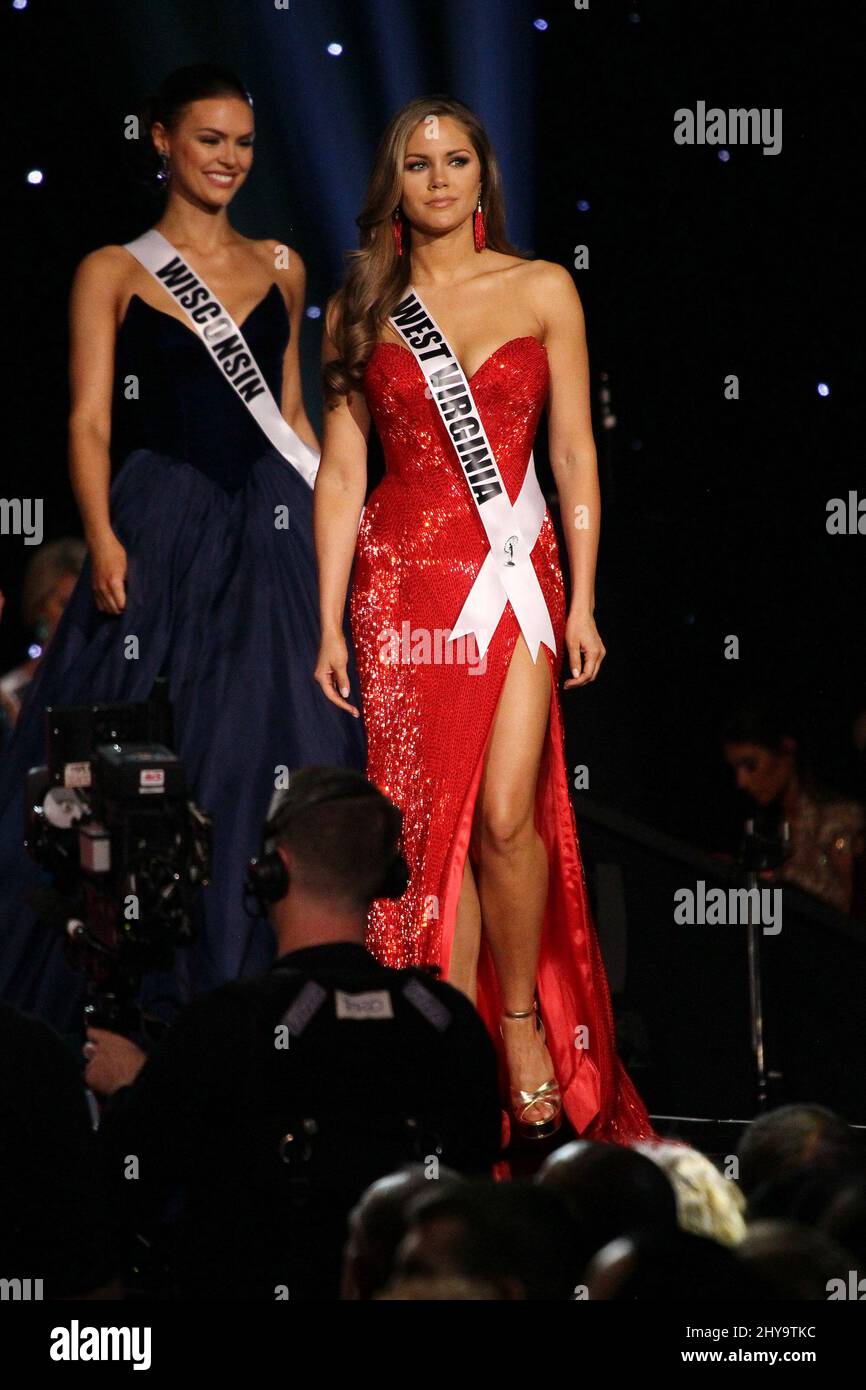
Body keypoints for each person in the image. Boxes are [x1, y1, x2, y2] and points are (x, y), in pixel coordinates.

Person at [313, 94, 657, 1145]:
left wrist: (586, 594)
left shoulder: (543, 286)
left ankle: (516, 1025)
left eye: (454, 160)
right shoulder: (361, 301)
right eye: (416, 165)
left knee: (506, 811)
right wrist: (327, 621)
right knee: (429, 830)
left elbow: (572, 457)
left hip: (512, 570)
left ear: (481, 174)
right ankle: (443, 1038)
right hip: (401, 577)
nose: (437, 180)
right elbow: (339, 471)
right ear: (394, 183)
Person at [0, 64, 364, 1033]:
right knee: (143, 764)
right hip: (161, 524)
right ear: (160, 139)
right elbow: (87, 421)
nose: (229, 160)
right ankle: (132, 1008)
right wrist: (105, 536)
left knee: (270, 745)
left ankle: (250, 988)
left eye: (243, 143)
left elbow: (289, 414)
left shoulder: (284, 265)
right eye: (209, 140)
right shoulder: (114, 268)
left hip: (269, 533)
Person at [83, 766, 503, 1300]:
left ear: (271, 873)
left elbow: (117, 1197)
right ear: (388, 876)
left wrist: (129, 1088)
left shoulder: (226, 1025)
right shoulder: (450, 1022)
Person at [723, 702, 865, 918]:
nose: (741, 781)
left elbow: (851, 915)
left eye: (750, 765)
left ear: (786, 751)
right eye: (736, 769)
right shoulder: (763, 831)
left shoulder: (840, 819)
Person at [0, 537, 86, 730]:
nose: (74, 616)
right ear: (39, 606)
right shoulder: (9, 693)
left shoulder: (109, 680)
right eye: (64, 604)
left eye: (82, 605)